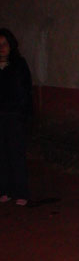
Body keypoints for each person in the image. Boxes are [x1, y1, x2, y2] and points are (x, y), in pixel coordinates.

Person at [0, 28, 32, 206]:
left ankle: (21, 192)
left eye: (4, 44)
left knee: (16, 154)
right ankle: (5, 190)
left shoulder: (19, 64)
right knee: (2, 155)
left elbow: (26, 91)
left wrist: (24, 114)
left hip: (15, 116)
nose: (1, 48)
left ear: (11, 45)